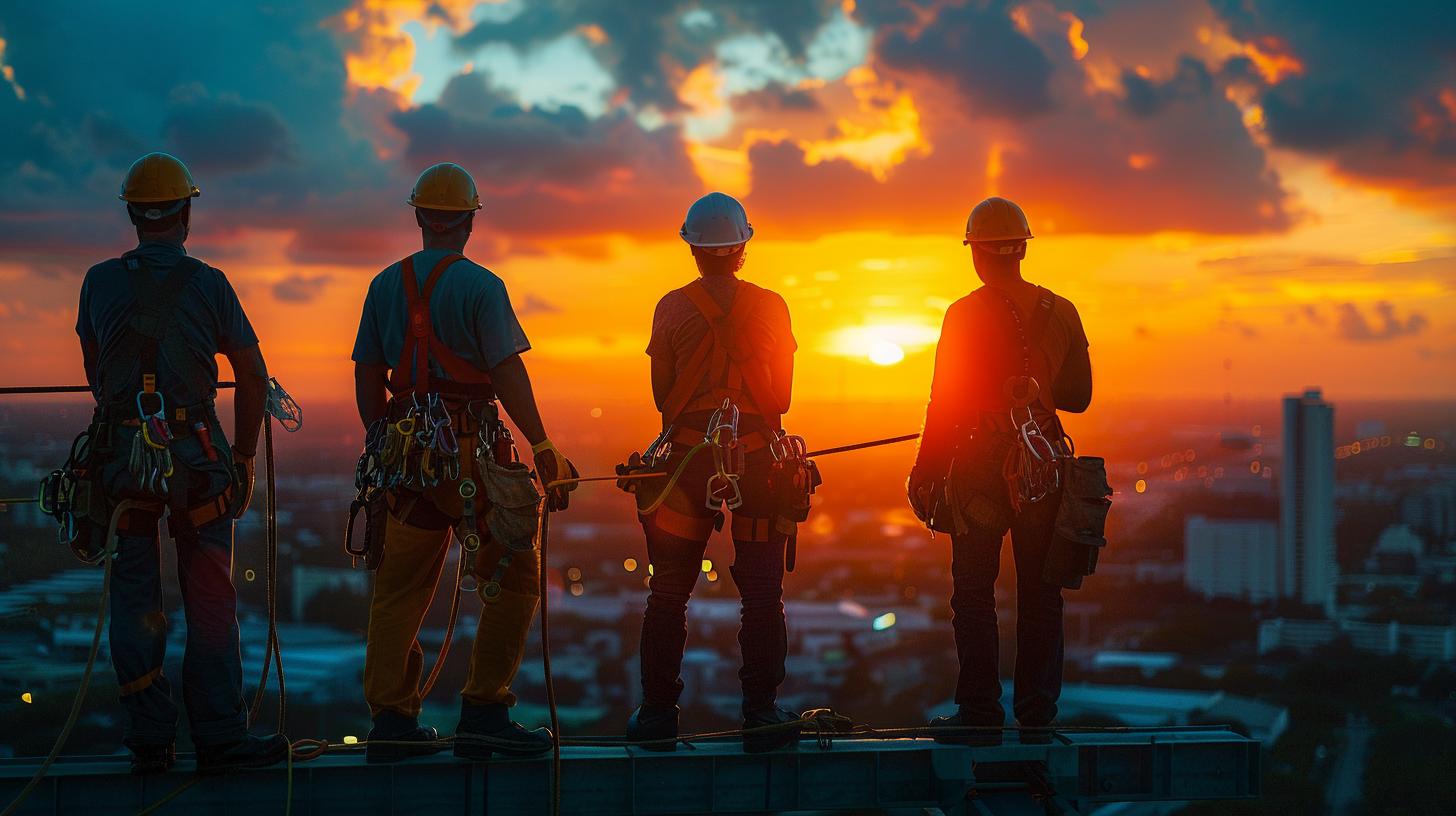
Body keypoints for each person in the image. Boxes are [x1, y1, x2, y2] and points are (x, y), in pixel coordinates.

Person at [351, 162, 578, 763]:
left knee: (400, 588)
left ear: (421, 217)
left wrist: (385, 442)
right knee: (515, 576)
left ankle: (391, 723)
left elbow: (368, 378)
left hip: (407, 461)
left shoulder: (382, 286)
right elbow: (505, 369)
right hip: (470, 454)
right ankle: (483, 710)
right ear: (469, 222)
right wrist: (542, 444)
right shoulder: (481, 287)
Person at [75, 152, 288, 774]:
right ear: (187, 212)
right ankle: (220, 735)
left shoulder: (98, 282)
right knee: (210, 597)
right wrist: (243, 456)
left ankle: (149, 739)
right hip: (196, 463)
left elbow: (96, 372)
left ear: (135, 216)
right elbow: (251, 375)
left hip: (123, 464)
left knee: (136, 596)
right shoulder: (210, 285)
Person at [907, 196, 1092, 741]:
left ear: (977, 255)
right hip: (1043, 463)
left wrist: (926, 472)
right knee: (1041, 592)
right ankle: (1037, 713)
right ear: (1020, 250)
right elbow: (1078, 397)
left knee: (973, 593)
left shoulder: (964, 314)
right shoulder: (1062, 311)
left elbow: (945, 403)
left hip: (982, 466)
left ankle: (980, 711)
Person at [625, 192, 801, 753]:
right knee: (762, 592)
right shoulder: (772, 306)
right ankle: (762, 713)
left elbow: (662, 398)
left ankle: (657, 716)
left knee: (669, 592)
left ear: (694, 251)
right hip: (755, 463)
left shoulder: (671, 308)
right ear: (742, 247)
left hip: (686, 462)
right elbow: (783, 397)